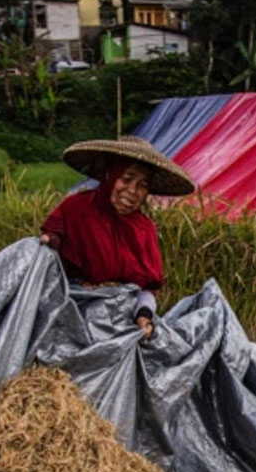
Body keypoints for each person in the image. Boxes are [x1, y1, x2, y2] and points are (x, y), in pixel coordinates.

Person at [39, 136, 196, 339]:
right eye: (127, 178)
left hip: (124, 318)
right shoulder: (75, 209)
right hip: (74, 314)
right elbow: (49, 257)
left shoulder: (144, 229)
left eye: (142, 185)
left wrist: (144, 315)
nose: (132, 191)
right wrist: (46, 244)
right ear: (110, 175)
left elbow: (147, 289)